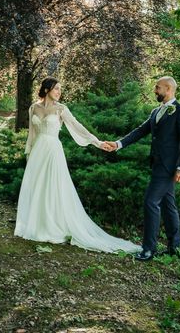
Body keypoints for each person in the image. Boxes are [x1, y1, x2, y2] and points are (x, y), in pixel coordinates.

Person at [14, 77, 141, 254]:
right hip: (37, 152)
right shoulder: (33, 108)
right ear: (47, 89)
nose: (59, 92)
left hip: (52, 151)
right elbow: (31, 134)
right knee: (38, 187)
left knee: (53, 187)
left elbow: (77, 126)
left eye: (60, 89)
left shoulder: (61, 109)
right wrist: (29, 154)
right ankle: (37, 225)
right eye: (56, 89)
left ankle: (53, 226)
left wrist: (97, 142)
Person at [104, 76, 180, 261]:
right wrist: (118, 144)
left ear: (168, 89)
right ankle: (174, 247)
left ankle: (149, 249)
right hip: (157, 164)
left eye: (158, 87)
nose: (155, 90)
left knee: (150, 202)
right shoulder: (155, 112)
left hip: (168, 167)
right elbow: (140, 131)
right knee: (168, 205)